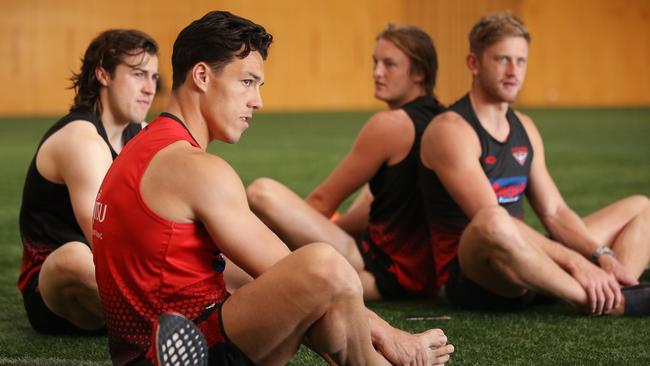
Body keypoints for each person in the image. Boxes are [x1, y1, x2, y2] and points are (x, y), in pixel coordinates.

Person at [92, 11, 454, 366]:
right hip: (184, 344)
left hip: (147, 342)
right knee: (324, 264)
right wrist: (393, 335)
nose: (257, 101)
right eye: (247, 82)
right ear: (202, 75)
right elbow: (295, 269)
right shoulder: (195, 167)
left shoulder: (143, 146)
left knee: (327, 314)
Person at [419, 11, 650, 316]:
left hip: (532, 262)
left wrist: (600, 254)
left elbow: (554, 212)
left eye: (521, 60)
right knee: (493, 219)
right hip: (477, 276)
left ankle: (617, 284)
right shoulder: (450, 129)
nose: (513, 71)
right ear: (473, 64)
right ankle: (607, 302)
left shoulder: (524, 127)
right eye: (502, 59)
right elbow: (490, 220)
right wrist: (576, 262)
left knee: (642, 206)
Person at [246, 24, 445, 300]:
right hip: (429, 280)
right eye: (376, 62)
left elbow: (322, 202)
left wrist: (290, 241)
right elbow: (379, 205)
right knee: (376, 191)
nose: (377, 72)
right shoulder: (445, 121)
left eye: (390, 65)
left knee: (262, 193)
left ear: (420, 72)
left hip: (379, 274)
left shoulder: (391, 125)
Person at [17, 29, 159, 334]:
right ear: (103, 75)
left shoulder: (144, 134)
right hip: (63, 294)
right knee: (74, 256)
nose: (150, 88)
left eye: (154, 77)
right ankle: (167, 321)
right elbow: (103, 239)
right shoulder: (80, 139)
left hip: (124, 285)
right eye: (138, 74)